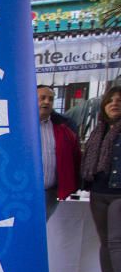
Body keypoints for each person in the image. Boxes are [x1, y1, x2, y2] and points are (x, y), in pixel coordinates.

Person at [79, 85, 121, 272]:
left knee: (116, 242)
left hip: (118, 194)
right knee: (105, 241)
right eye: (110, 100)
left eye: (119, 100)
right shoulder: (99, 131)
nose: (114, 103)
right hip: (98, 191)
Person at [37, 85, 79, 220]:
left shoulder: (63, 126)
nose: (46, 102)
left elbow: (75, 156)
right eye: (42, 98)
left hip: (50, 192)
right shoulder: (16, 125)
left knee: (40, 229)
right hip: (22, 192)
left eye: (50, 99)